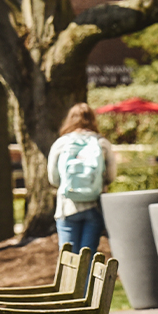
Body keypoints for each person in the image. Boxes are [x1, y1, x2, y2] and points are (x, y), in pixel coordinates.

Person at [47, 103, 115, 255]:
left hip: (67, 206)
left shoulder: (61, 143)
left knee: (68, 257)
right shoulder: (102, 143)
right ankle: (85, 280)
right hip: (94, 206)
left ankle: (69, 280)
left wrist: (68, 186)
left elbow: (53, 178)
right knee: (88, 255)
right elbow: (111, 176)